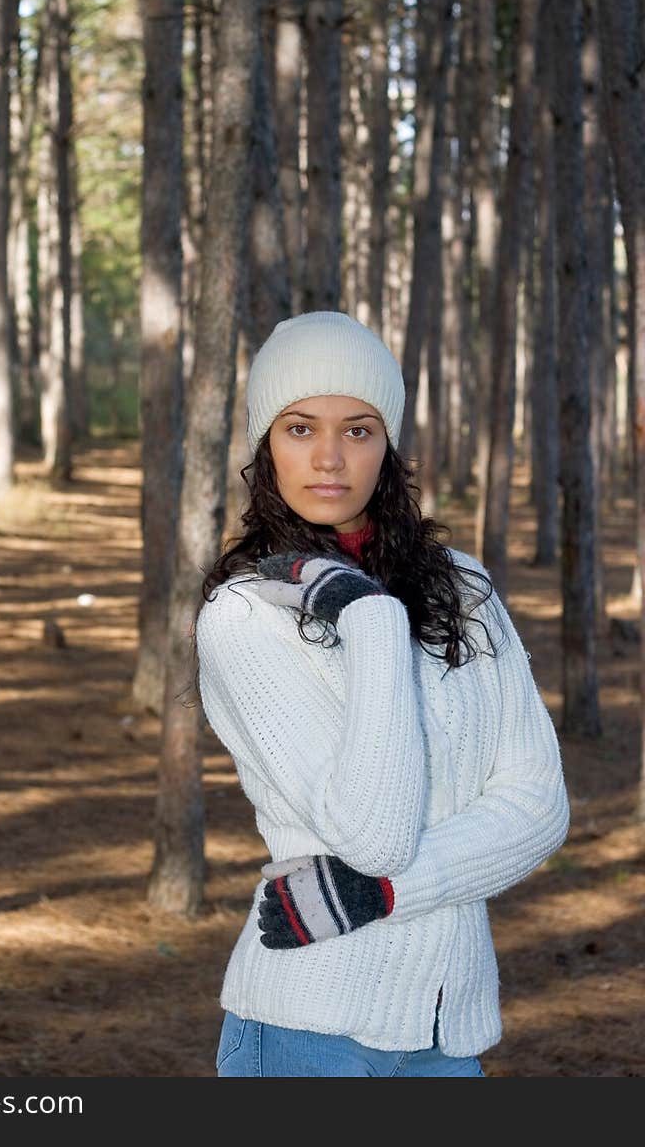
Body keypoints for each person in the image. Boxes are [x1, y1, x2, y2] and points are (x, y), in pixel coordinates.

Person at [195, 310, 570, 1078]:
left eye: (358, 430)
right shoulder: (243, 617)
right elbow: (375, 837)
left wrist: (374, 896)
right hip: (305, 1030)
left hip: (446, 1033)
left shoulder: (462, 587)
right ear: (266, 445)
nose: (329, 458)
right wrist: (369, 618)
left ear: (387, 445)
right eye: (300, 428)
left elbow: (538, 810)